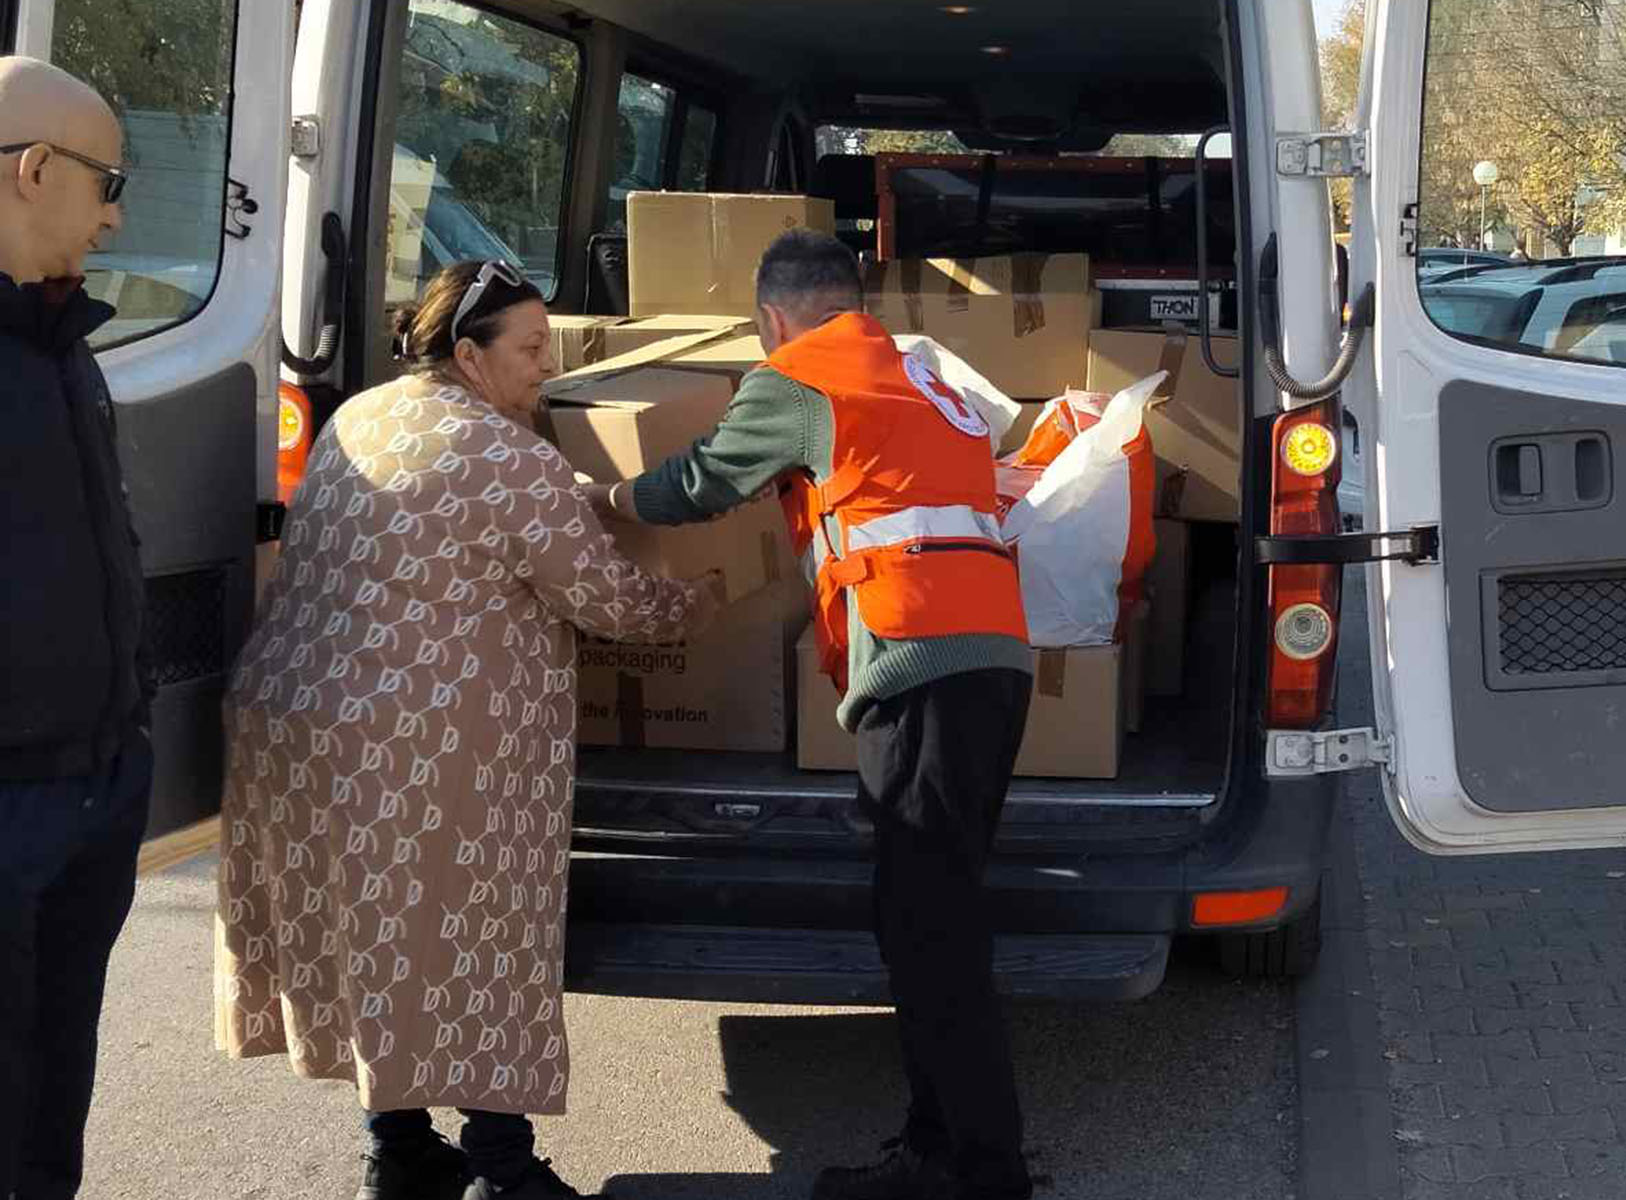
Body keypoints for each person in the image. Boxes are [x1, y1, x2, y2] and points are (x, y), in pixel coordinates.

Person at [214, 260, 719, 1200]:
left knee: (381, 943)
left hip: (300, 726)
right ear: (469, 354)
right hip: (426, 747)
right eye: (531, 348)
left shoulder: (360, 416)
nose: (547, 367)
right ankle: (502, 1170)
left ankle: (398, 1151)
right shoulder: (506, 455)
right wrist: (707, 598)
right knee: (480, 939)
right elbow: (608, 600)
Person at [610, 229, 1037, 1200]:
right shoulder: (915, 374)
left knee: (929, 930)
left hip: (923, 664)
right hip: (991, 660)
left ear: (773, 317)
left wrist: (606, 492)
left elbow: (700, 482)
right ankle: (938, 1147)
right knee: (926, 916)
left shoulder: (800, 378)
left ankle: (978, 1172)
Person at [0, 56, 146, 1200]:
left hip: (92, 786)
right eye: (109, 183)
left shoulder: (61, 342)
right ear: (34, 168)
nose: (113, 217)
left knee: (53, 1100)